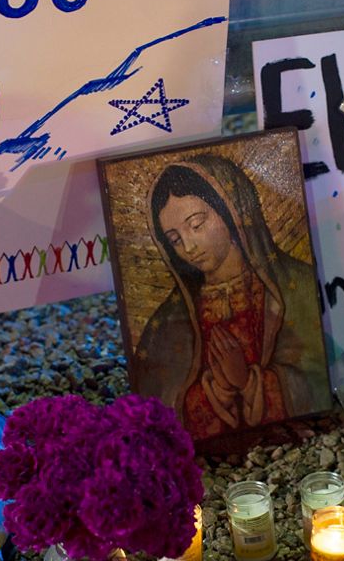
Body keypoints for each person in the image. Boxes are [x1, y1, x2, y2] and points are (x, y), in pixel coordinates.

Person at [133, 155, 328, 440]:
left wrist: (249, 383)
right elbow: (156, 413)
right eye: (174, 239)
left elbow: (320, 380)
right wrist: (220, 389)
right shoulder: (167, 324)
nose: (188, 246)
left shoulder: (298, 287)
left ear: (232, 212)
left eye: (197, 224)